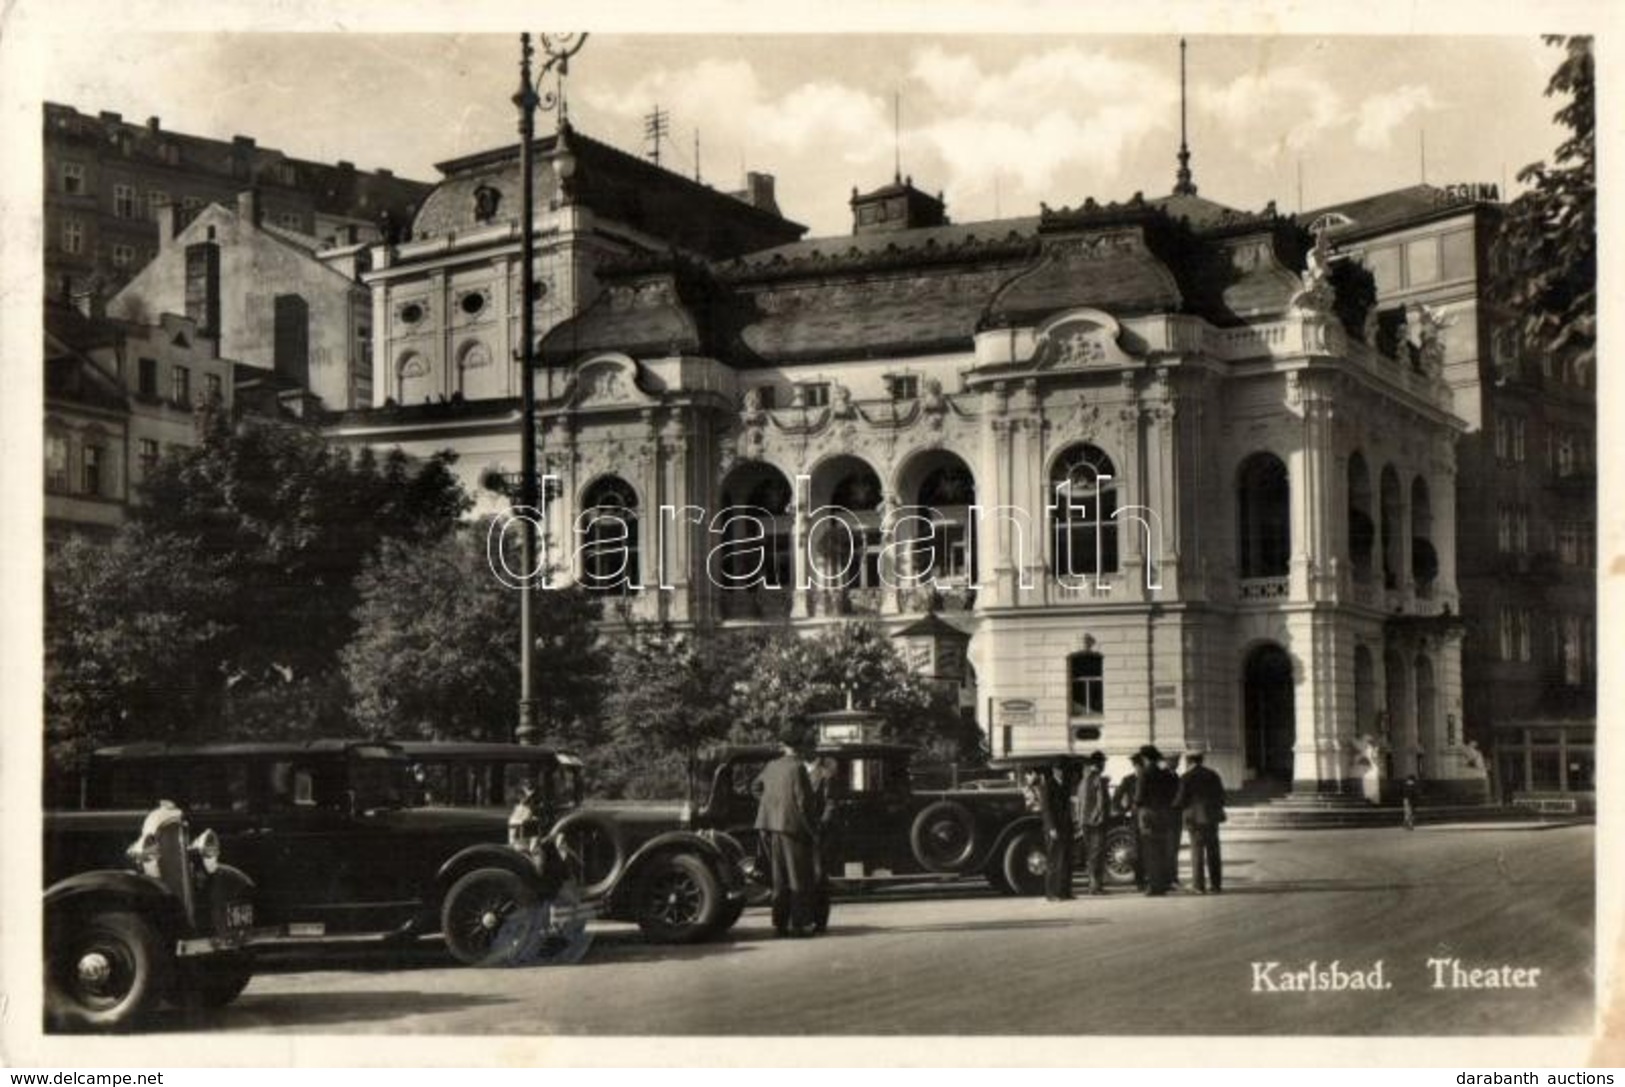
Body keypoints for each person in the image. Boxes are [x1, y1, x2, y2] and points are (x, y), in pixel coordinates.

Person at [753, 739, 820, 937]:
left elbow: (755, 787)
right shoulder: (797, 768)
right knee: (798, 877)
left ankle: (780, 924)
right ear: (799, 748)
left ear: (784, 748)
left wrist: (772, 804)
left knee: (779, 878)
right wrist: (812, 831)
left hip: (772, 827)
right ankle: (799, 925)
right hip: (793, 828)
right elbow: (804, 803)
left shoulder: (771, 766)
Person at [1172, 750, 1227, 894]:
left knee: (1197, 852)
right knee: (1213, 852)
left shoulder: (1186, 777)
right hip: (1211, 818)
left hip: (1194, 820)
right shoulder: (1213, 775)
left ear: (1189, 761)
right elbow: (1222, 796)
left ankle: (1199, 886)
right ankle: (1216, 885)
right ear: (1201, 760)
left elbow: (1180, 800)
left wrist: (1174, 806)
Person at [1134, 744, 1179, 895]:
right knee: (1162, 851)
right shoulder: (1164, 773)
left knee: (1150, 852)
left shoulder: (1144, 773)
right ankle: (1163, 884)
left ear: (1145, 758)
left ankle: (1154, 886)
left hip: (1148, 815)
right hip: (1164, 815)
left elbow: (1139, 797)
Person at [806, 754, 840, 933]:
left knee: (818, 876)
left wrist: (821, 825)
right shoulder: (799, 771)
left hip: (817, 832)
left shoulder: (825, 774)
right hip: (801, 831)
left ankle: (819, 921)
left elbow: (830, 803)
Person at [1039, 761, 1077, 901]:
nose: (1062, 772)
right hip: (1055, 828)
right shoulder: (1048, 785)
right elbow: (1046, 809)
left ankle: (1065, 891)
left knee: (1066, 860)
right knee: (1054, 861)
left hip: (1066, 827)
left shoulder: (1064, 785)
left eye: (1063, 770)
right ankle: (1051, 893)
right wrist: (1051, 828)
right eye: (1059, 769)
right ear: (1054, 770)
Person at [1076, 751, 1111, 894]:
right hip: (1096, 822)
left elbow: (1080, 802)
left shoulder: (1083, 779)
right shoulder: (1098, 779)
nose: (1104, 765)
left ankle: (1092, 884)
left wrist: (1080, 819)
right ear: (1099, 763)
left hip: (1084, 821)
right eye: (1103, 762)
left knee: (1091, 854)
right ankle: (1096, 886)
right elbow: (1101, 802)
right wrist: (1099, 817)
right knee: (1097, 854)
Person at [1114, 753, 1147, 891]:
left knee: (1150, 851)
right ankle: (1140, 881)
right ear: (1135, 766)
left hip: (1150, 820)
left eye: (1141, 766)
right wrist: (1124, 811)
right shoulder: (1128, 780)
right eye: (1138, 766)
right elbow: (1116, 798)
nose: (1140, 768)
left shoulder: (1149, 779)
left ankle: (1151, 879)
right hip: (1135, 820)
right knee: (1138, 851)